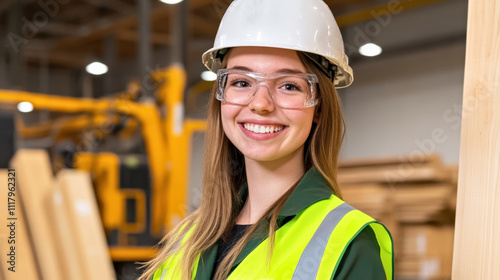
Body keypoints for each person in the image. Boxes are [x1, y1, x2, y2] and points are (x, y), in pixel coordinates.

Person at [139, 0, 394, 279]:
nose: (261, 104)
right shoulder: (184, 239)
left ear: (319, 106)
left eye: (288, 86)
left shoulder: (351, 244)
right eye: (241, 82)